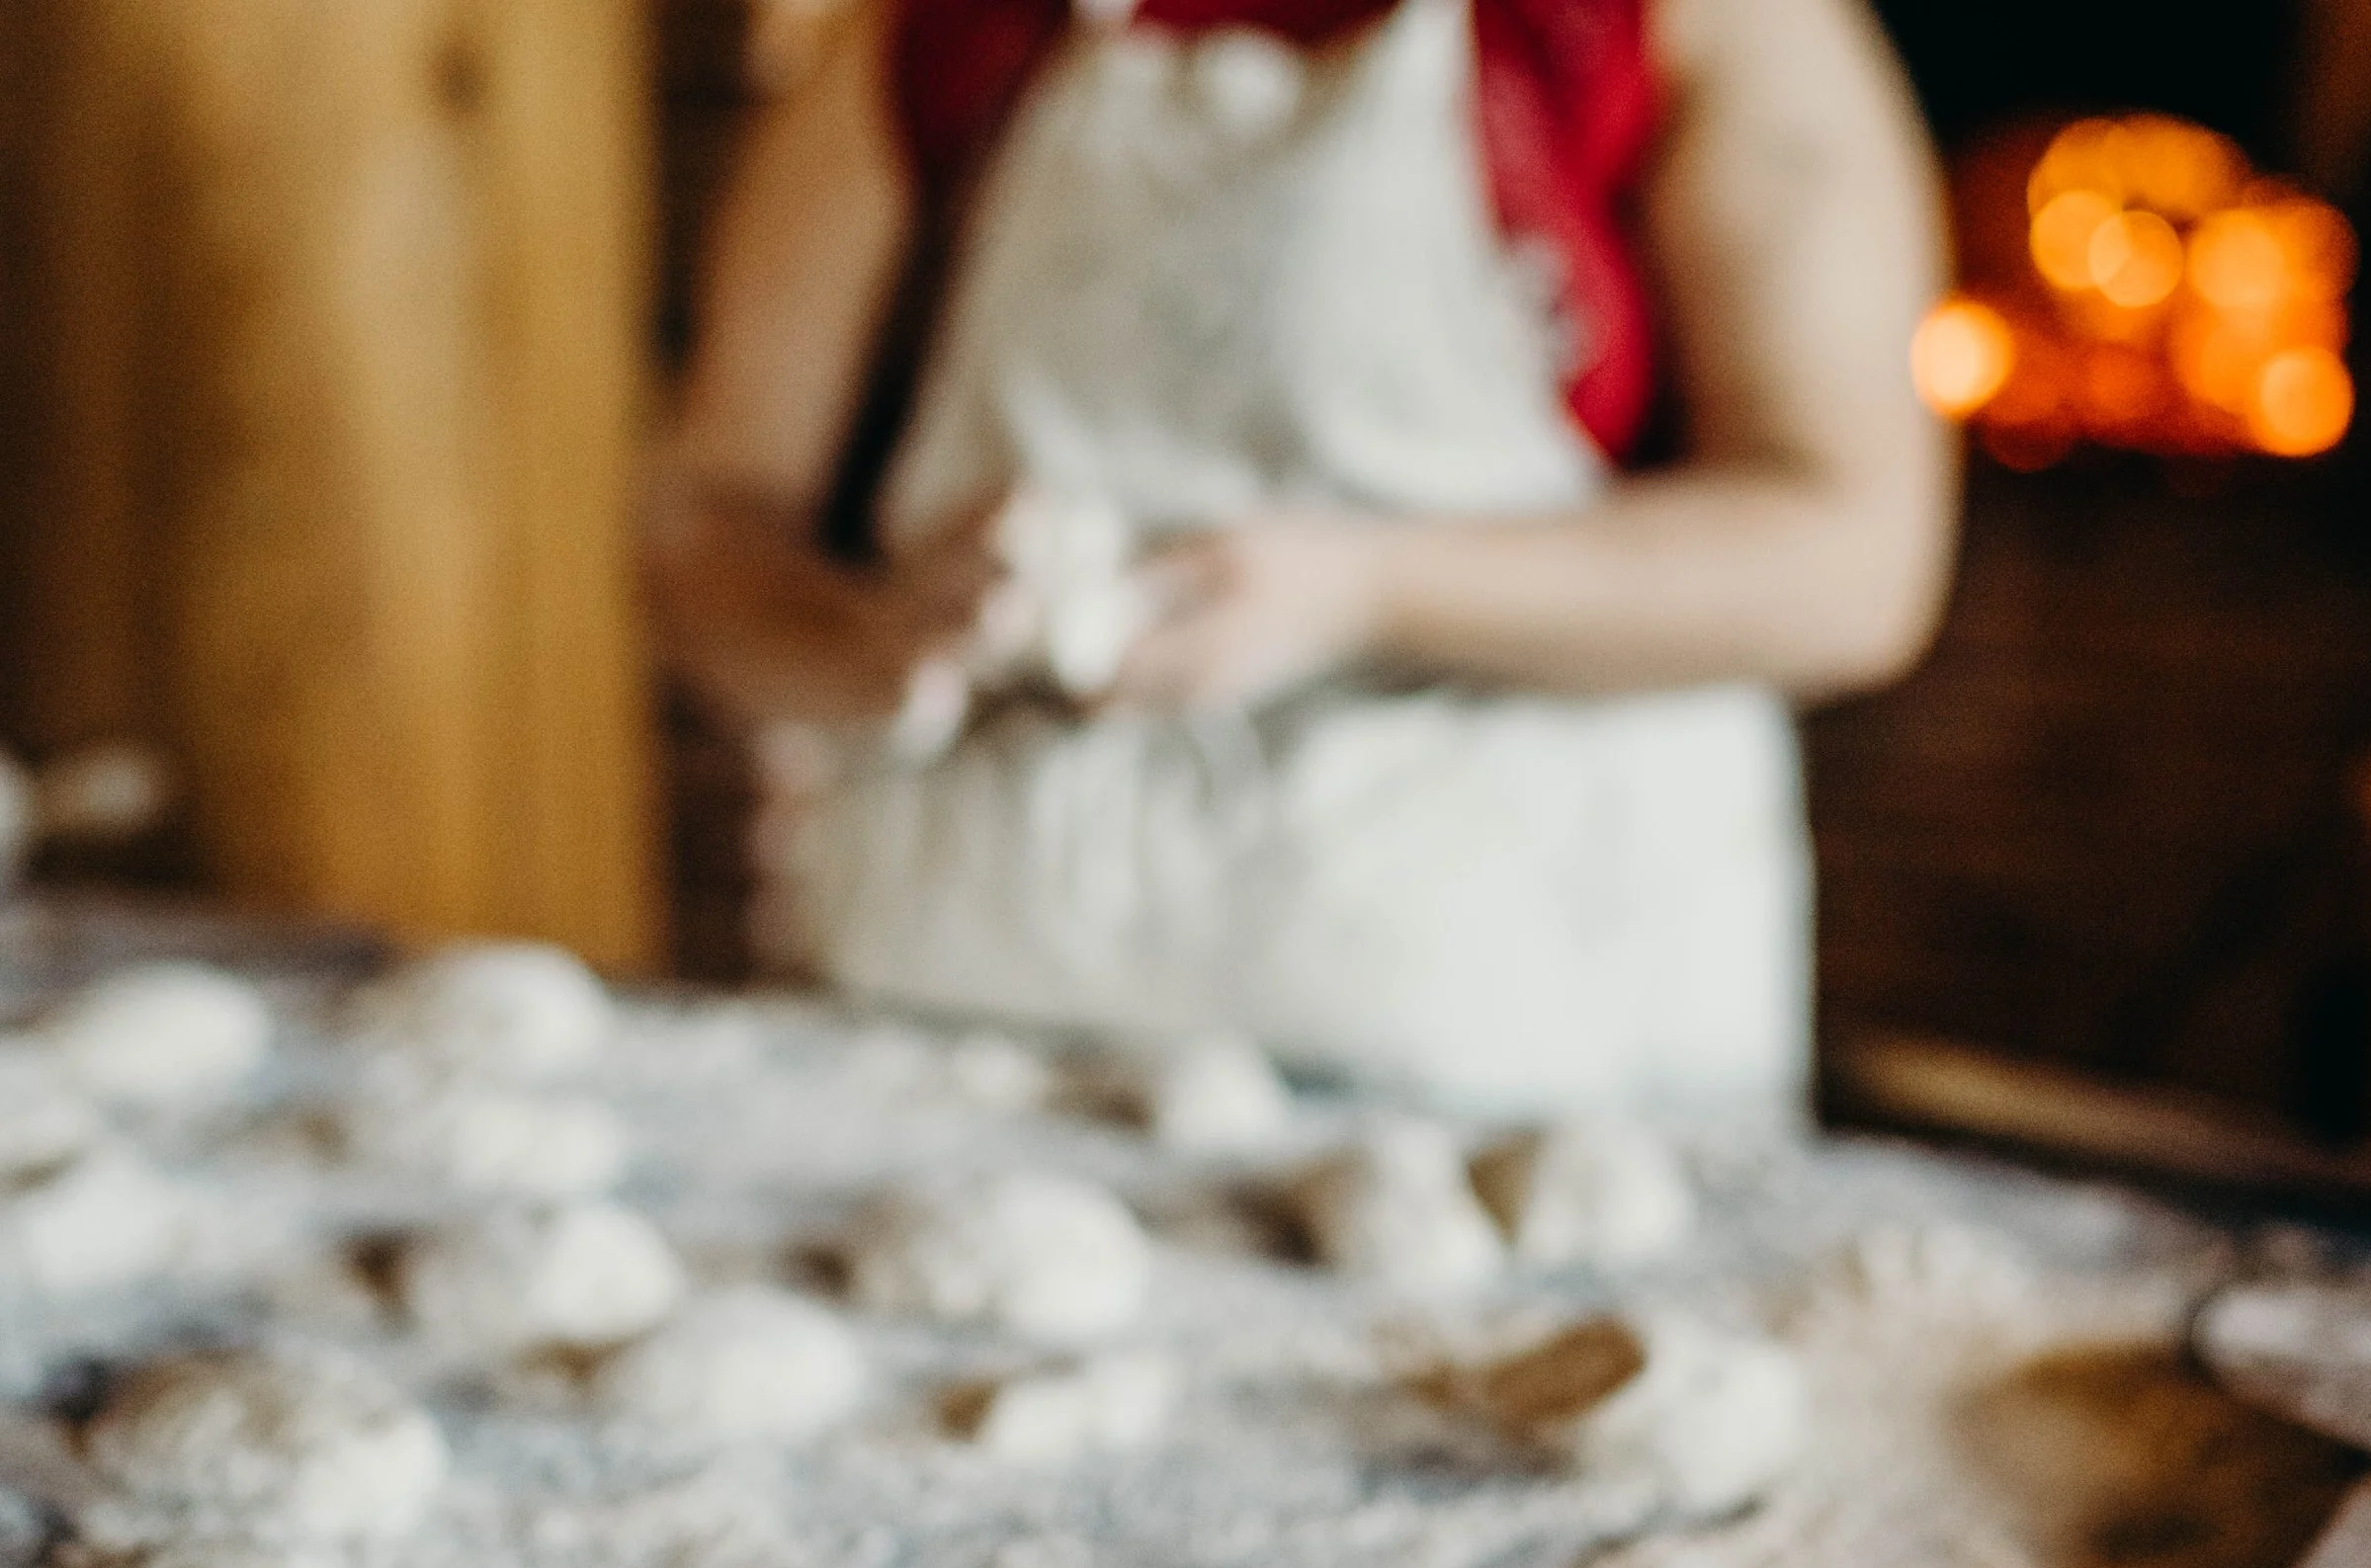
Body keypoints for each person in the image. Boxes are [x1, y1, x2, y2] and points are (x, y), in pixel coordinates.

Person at [649, 0, 1956, 1114]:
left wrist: (1365, 587)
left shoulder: (1684, 26)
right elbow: (712, 517)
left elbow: (1854, 558)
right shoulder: (931, 31)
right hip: (958, 1042)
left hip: (1528, 1060)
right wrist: (872, 638)